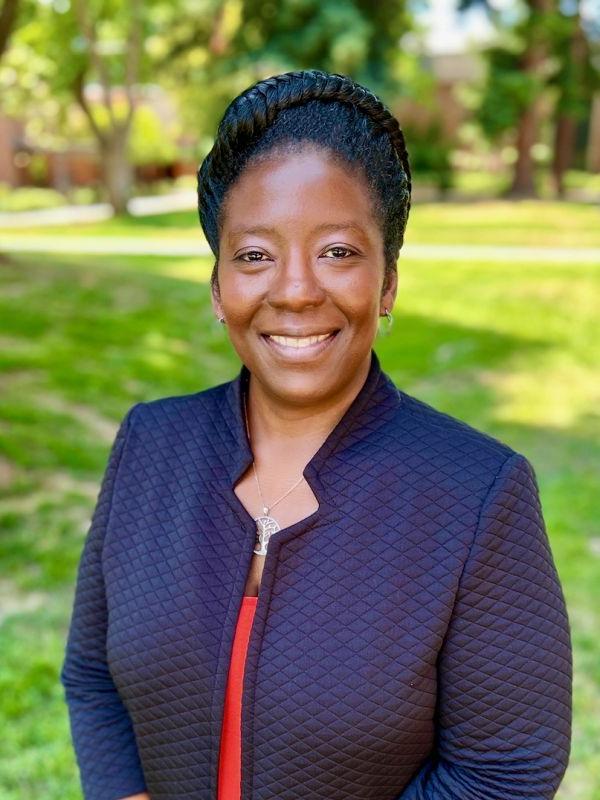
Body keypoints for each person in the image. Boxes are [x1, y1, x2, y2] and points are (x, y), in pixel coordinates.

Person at [59, 69, 572, 800]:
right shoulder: (151, 444)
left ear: (388, 280)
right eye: (254, 255)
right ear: (216, 287)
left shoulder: (477, 495)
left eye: (337, 251)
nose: (295, 290)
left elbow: (502, 773)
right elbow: (93, 679)